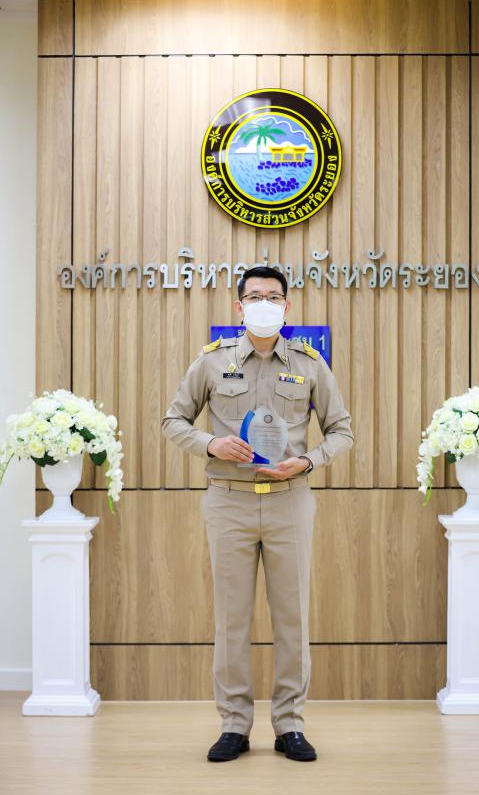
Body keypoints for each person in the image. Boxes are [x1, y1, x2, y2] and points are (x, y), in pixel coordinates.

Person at [161, 265, 354, 762]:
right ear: (239, 306)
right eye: (254, 297)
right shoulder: (212, 361)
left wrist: (308, 460)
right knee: (232, 620)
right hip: (229, 500)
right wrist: (211, 443)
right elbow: (173, 420)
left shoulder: (310, 363)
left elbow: (342, 430)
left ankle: (290, 725)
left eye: (272, 297)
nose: (263, 304)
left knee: (293, 618)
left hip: (290, 499)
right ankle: (234, 725)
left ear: (286, 307)